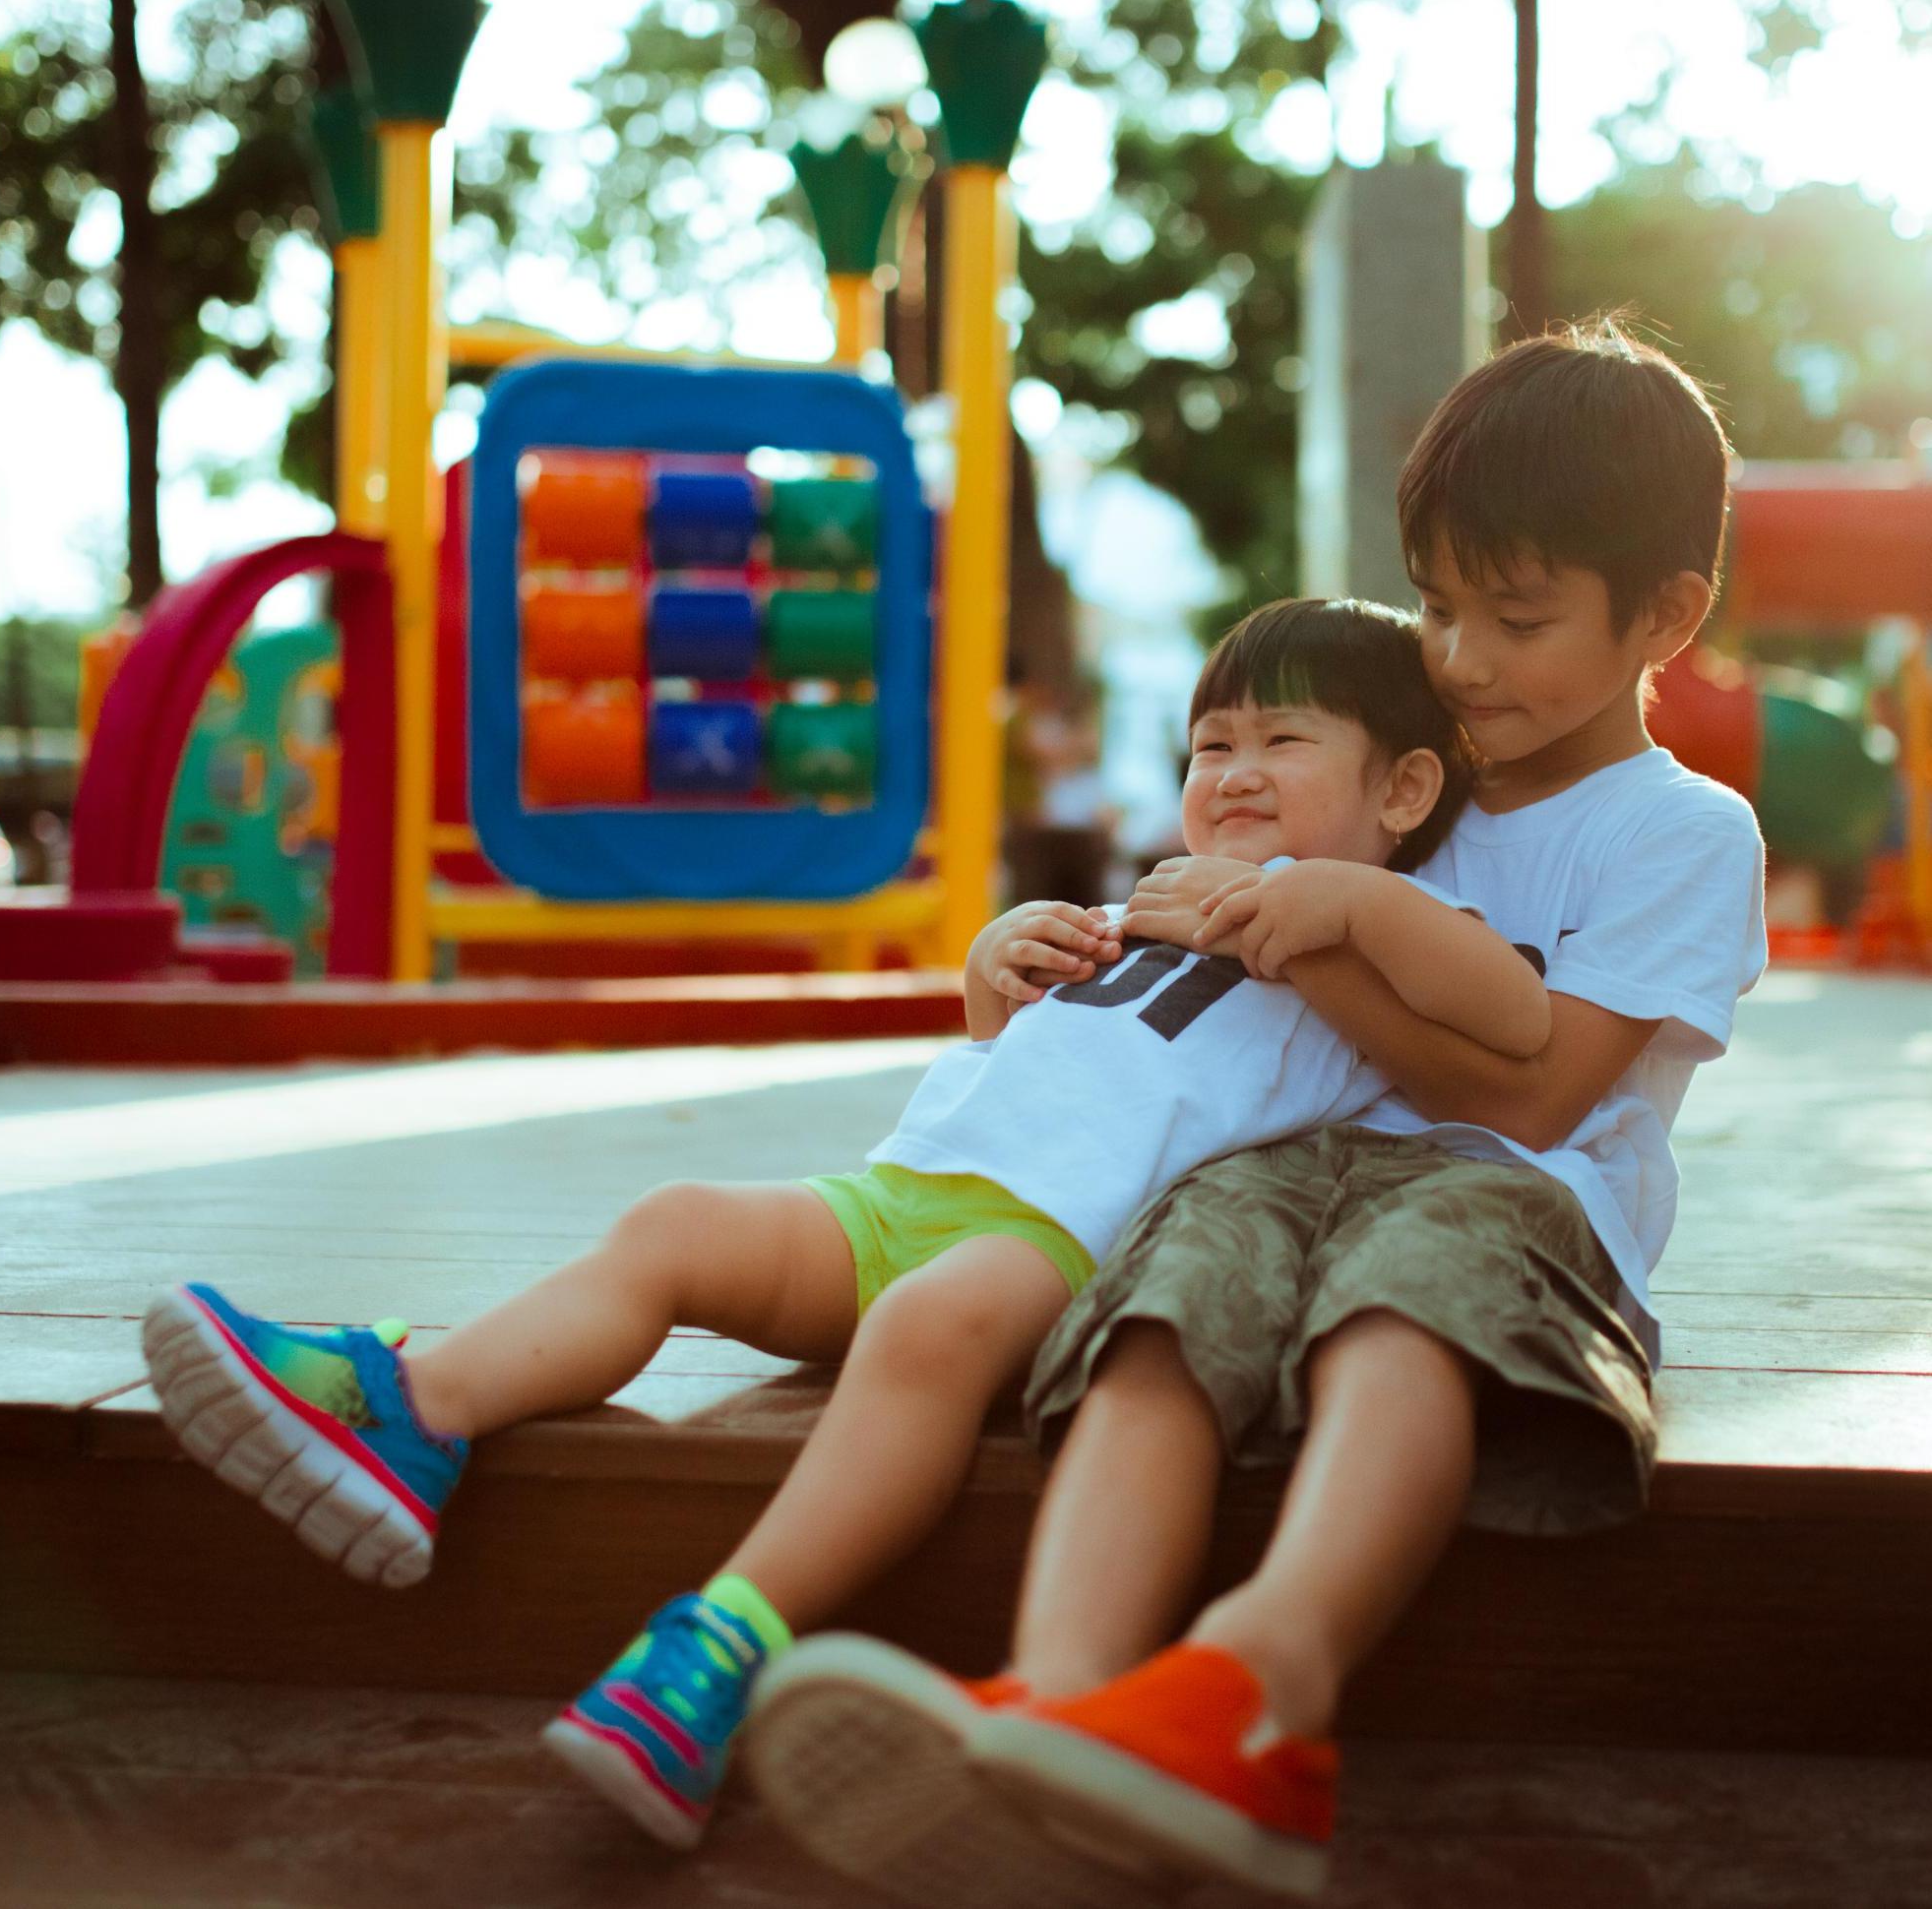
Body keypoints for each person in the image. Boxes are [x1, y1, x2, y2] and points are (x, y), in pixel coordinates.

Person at [137, 598, 1552, 1852]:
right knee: (676, 1222)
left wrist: (1334, 897)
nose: (1232, 773)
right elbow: (1060, 1058)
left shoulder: (1376, 936)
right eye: (1208, 747)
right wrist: (998, 979)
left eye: (1281, 742)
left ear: (1403, 786)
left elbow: (1510, 1011)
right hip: (900, 1195)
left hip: (1056, 1247)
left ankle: (716, 1650)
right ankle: (417, 1410)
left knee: (923, 1329)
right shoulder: (1158, 903)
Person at [743, 319, 1769, 1905]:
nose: (1463, 659)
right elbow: (1211, 985)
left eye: (1517, 616)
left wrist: (1310, 917)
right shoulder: (1400, 766)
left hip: (1519, 1200)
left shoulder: (1678, 831)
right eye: (1435, 607)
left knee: (1397, 1304)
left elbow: (1546, 1089)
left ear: (1666, 616)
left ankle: (1252, 1692)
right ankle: (1062, 1702)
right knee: (1161, 1296)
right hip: (1286, 1164)